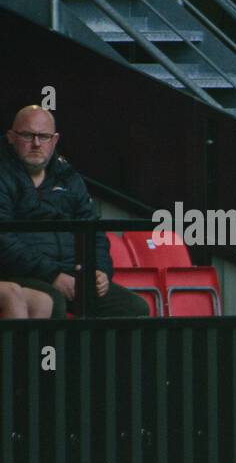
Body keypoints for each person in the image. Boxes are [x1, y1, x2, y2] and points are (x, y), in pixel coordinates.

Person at [0, 106, 148, 319]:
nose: (36, 143)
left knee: (134, 308)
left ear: (55, 140)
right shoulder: (3, 174)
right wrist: (52, 275)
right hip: (21, 273)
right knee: (52, 303)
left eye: (44, 136)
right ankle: (54, 354)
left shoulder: (68, 176)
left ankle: (96, 354)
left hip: (73, 272)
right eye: (27, 135)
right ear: (11, 137)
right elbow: (4, 240)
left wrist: (100, 270)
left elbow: (93, 230)